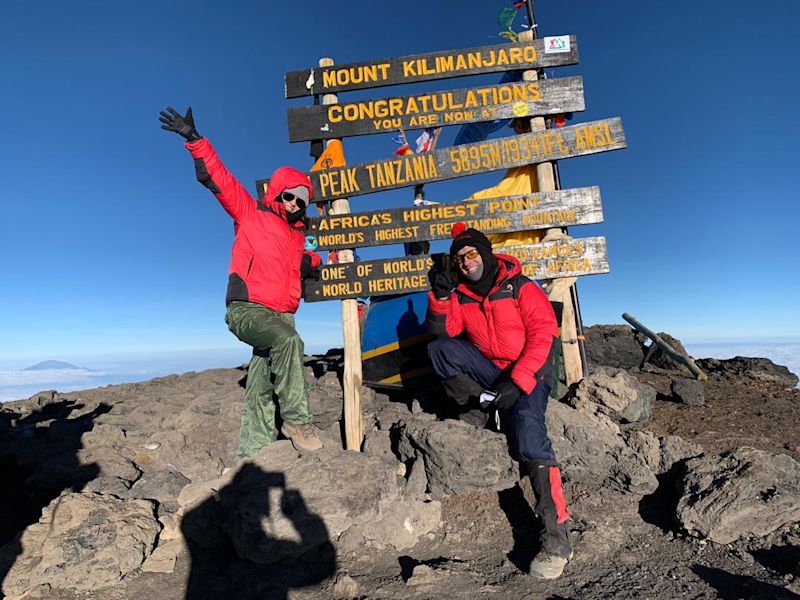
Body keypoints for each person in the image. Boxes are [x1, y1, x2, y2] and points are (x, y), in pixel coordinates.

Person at [159, 106, 322, 457]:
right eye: (289, 195)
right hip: (247, 309)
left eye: (302, 200)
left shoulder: (298, 238)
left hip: (283, 313)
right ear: (277, 192)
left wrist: (320, 262)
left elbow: (304, 265)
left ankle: (253, 454)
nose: (294, 203)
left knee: (260, 385)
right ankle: (297, 420)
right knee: (289, 342)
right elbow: (218, 179)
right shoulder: (251, 213)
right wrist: (195, 140)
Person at [425, 223, 572, 579]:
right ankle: (481, 404)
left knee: (528, 434)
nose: (466, 262)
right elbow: (445, 333)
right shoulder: (461, 294)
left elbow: (543, 335)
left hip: (529, 373)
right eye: (459, 258)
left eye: (472, 253)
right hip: (491, 372)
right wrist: (441, 297)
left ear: (486, 253)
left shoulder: (520, 287)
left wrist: (518, 383)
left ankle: (557, 540)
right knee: (439, 350)